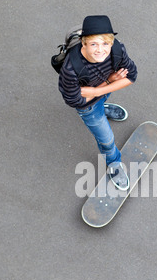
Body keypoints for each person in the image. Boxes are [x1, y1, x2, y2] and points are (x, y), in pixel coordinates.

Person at [58, 15, 138, 190]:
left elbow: (131, 75)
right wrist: (110, 83)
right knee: (107, 140)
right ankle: (114, 164)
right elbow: (75, 101)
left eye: (105, 44)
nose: (100, 50)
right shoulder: (71, 69)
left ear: (111, 42)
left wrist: (99, 89)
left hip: (101, 91)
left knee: (101, 100)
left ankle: (103, 107)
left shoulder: (116, 49)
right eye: (94, 44)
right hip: (88, 108)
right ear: (83, 43)